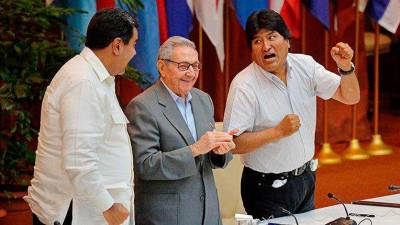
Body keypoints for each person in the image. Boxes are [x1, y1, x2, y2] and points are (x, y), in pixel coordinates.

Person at [223, 9, 360, 219]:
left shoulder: (305, 65)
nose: (266, 46)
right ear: (251, 50)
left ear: (287, 40)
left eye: (271, 37)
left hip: (305, 178)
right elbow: (233, 143)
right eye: (257, 41)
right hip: (266, 188)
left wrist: (345, 68)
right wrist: (277, 132)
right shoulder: (244, 86)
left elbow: (350, 96)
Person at [24, 8, 138, 225]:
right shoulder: (83, 82)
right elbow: (79, 160)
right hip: (74, 213)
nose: (134, 52)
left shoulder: (97, 77)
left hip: (88, 212)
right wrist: (109, 206)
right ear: (116, 46)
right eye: (133, 44)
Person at [125, 36, 237, 225]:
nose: (191, 73)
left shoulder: (203, 100)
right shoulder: (142, 106)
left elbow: (207, 159)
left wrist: (220, 151)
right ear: (162, 67)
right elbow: (145, 165)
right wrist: (195, 149)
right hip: (166, 217)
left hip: (207, 214)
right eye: (184, 66)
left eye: (195, 66)